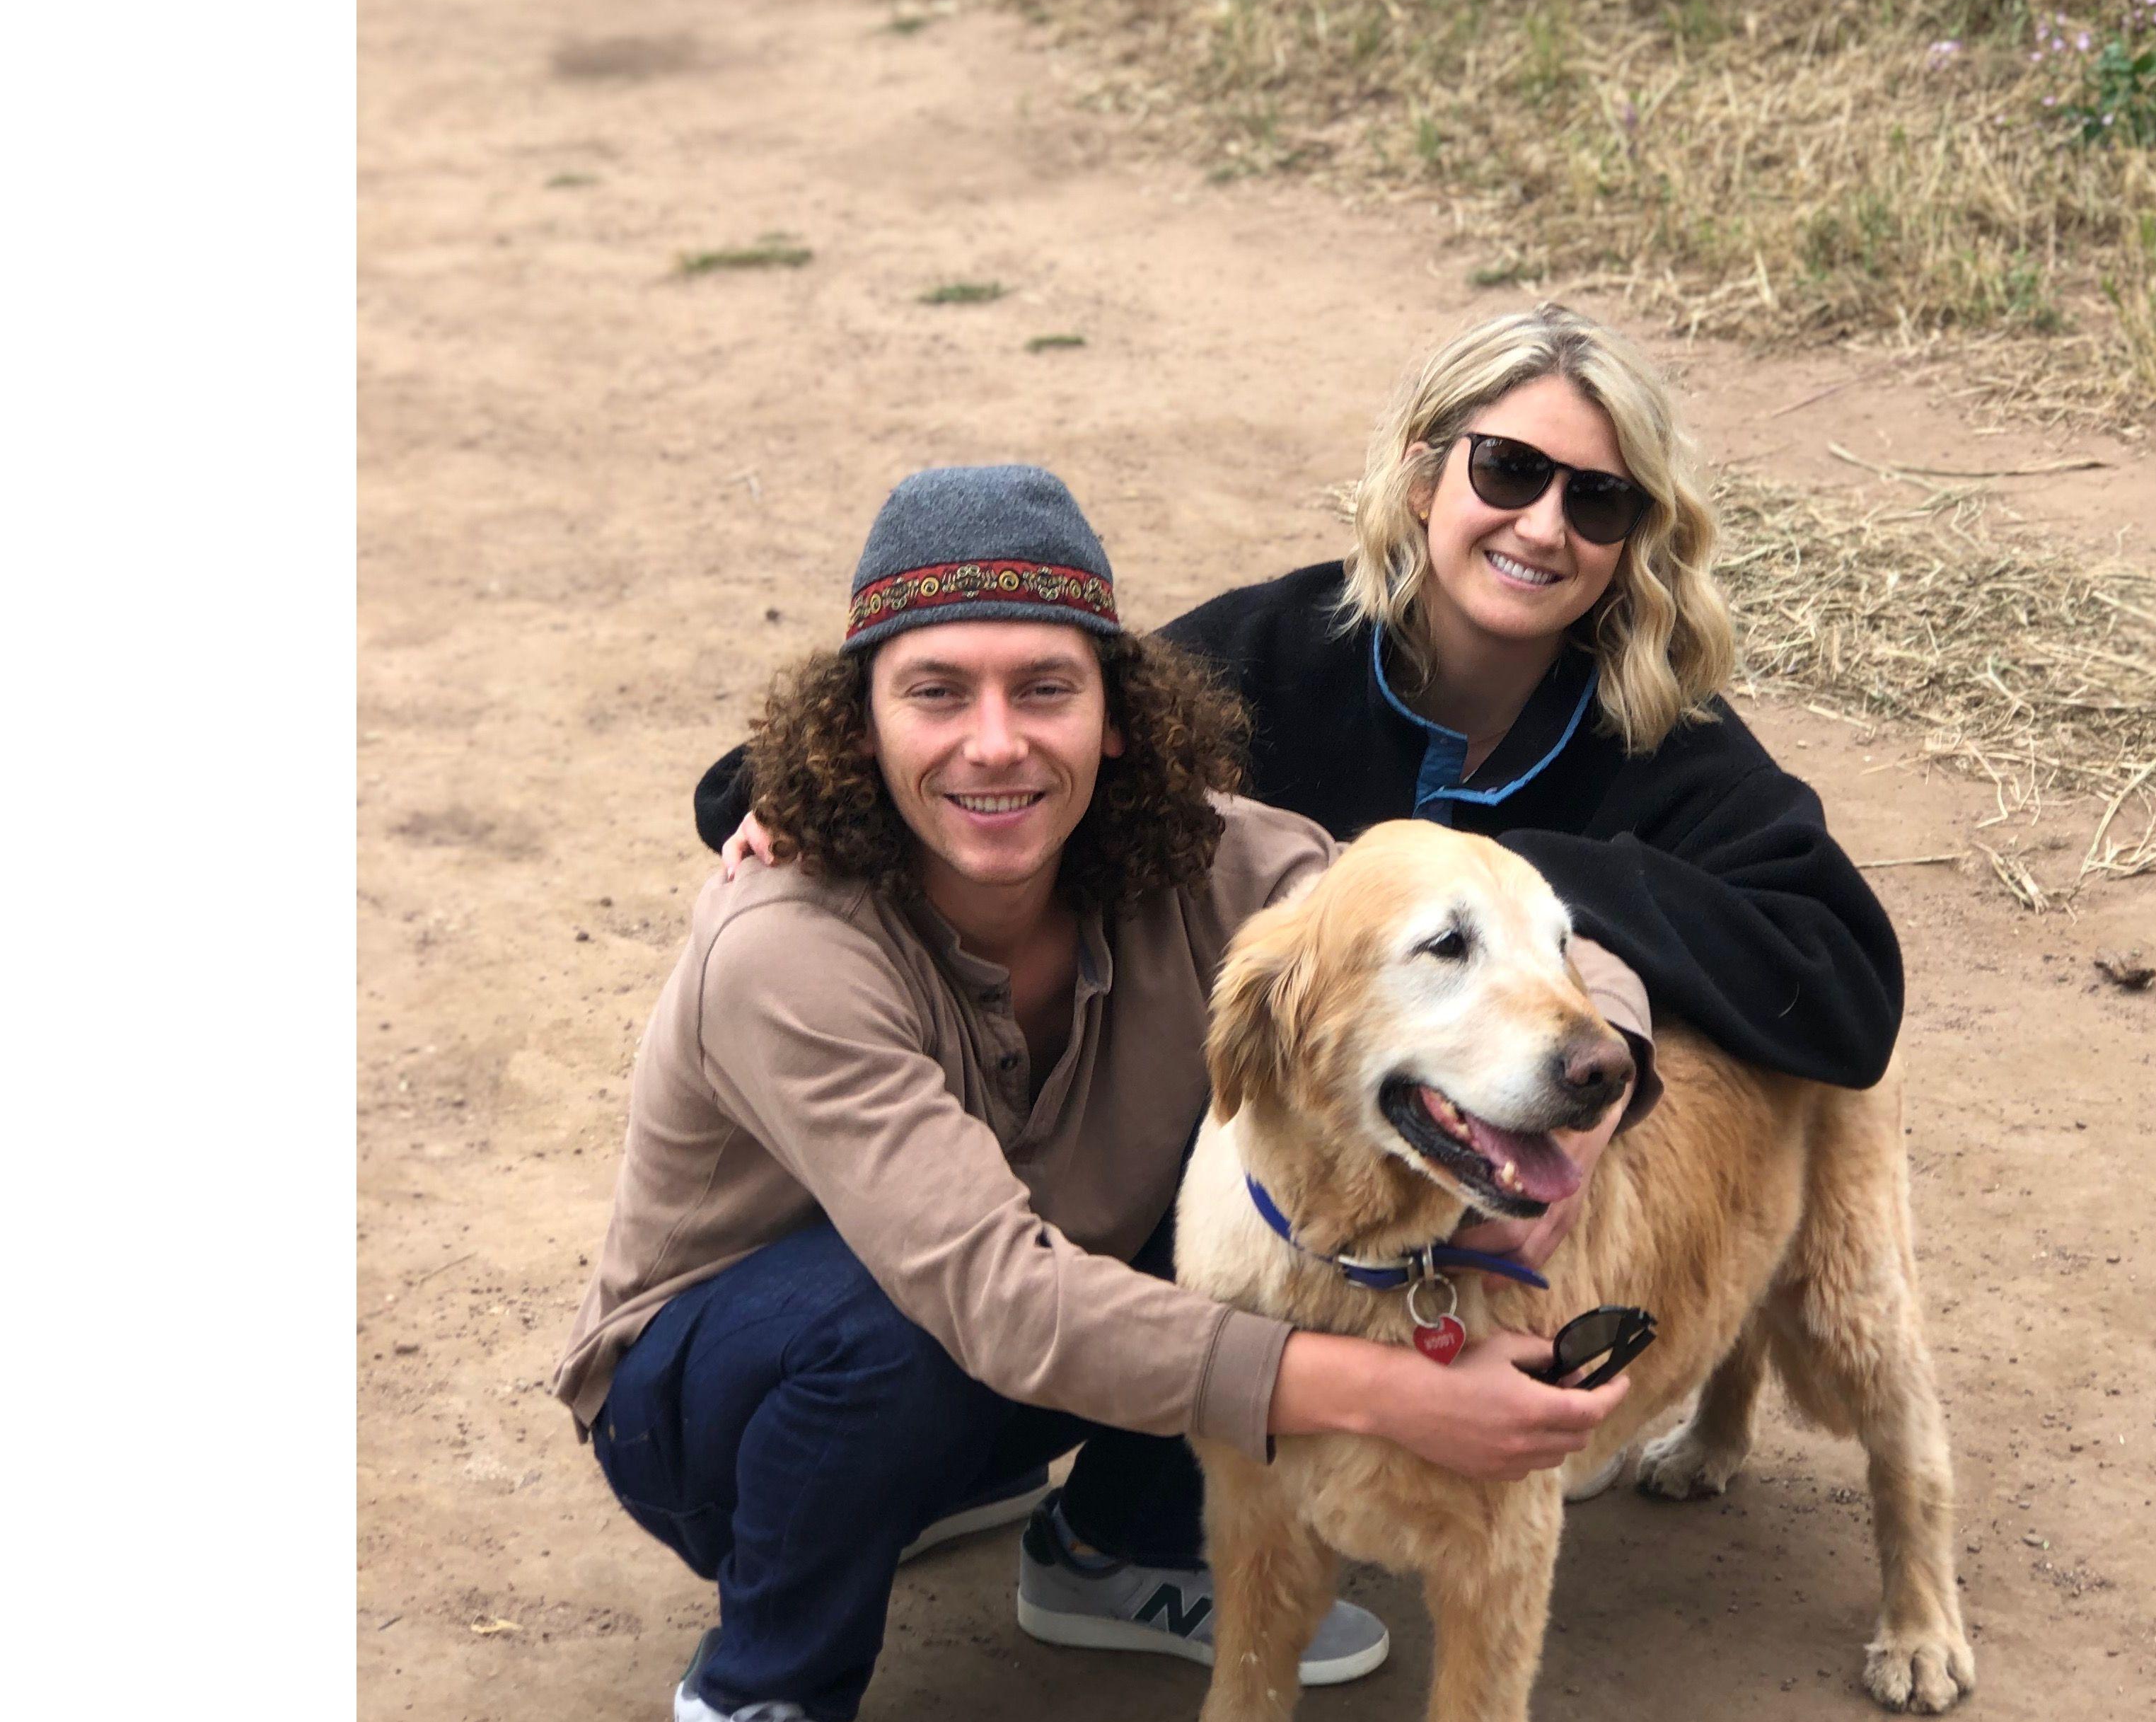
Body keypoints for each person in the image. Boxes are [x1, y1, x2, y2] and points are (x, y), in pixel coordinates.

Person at [560, 464, 1643, 1722]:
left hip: (1009, 1357)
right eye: (936, 693)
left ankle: (1111, 1548)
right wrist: (1399, 1397)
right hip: (722, 1404)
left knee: (1266, 1126)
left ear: (1115, 715)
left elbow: (1503, 923)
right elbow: (995, 1297)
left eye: (1045, 690)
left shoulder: (1201, 865)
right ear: (860, 723)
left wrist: (1597, 1070)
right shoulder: (787, 948)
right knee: (894, 1320)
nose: (996, 743)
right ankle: (760, 1695)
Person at [700, 305, 1905, 1159]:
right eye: (1507, 470)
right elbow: (992, 731)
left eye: (1597, 498)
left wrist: (1514, 889)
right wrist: (789, 799)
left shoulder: (1657, 731)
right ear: (1426, 478)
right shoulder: (1275, 650)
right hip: (1239, 1169)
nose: (1543, 526)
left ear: (1636, 535)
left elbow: (1843, 986)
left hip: (1519, 1172)